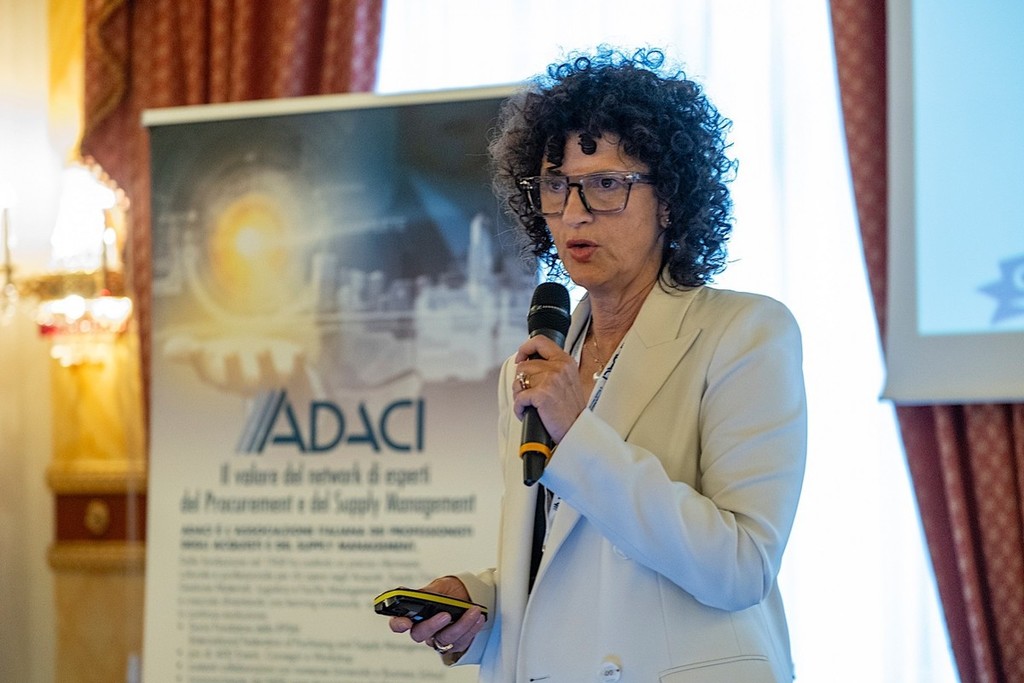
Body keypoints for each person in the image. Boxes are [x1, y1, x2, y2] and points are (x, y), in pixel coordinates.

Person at [387, 45, 807, 682]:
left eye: (607, 184)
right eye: (556, 185)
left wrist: (578, 433)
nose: (575, 212)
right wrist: (479, 604)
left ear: (670, 200)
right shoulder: (533, 368)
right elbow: (562, 562)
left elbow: (740, 568)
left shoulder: (744, 333)